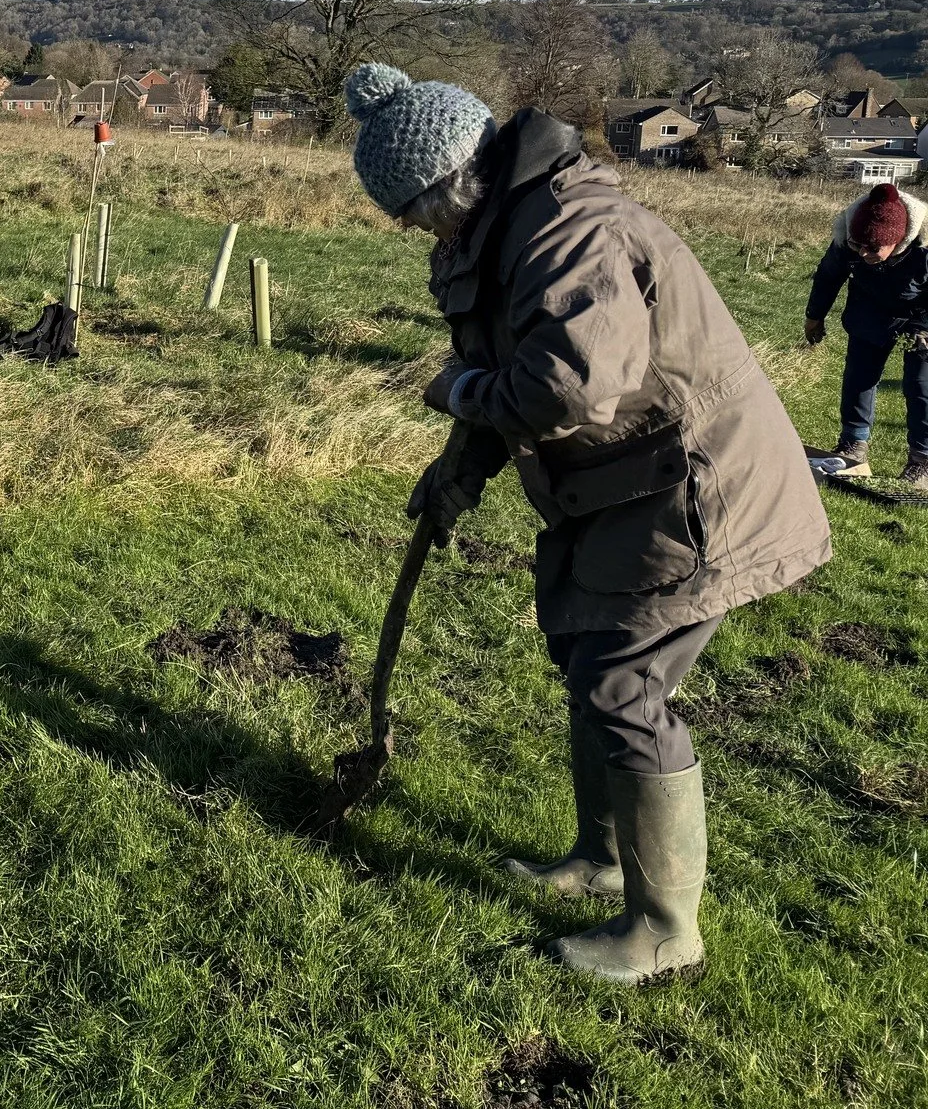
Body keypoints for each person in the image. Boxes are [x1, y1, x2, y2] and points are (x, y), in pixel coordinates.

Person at [346, 62, 830, 985]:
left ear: (452, 181)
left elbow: (568, 386)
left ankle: (663, 929)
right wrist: (458, 469)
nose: (413, 232)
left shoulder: (573, 230)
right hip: (620, 484)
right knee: (586, 657)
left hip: (695, 489)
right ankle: (602, 857)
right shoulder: (497, 230)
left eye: (412, 212)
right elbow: (513, 367)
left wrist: (457, 392)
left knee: (622, 685)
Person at [802, 181, 928, 483]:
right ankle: (853, 444)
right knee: (860, 375)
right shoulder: (849, 237)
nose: (864, 253)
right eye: (859, 246)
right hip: (869, 307)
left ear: (897, 241)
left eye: (873, 248)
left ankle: (922, 461)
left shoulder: (925, 250)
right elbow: (829, 275)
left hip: (920, 314)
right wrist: (814, 317)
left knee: (920, 383)